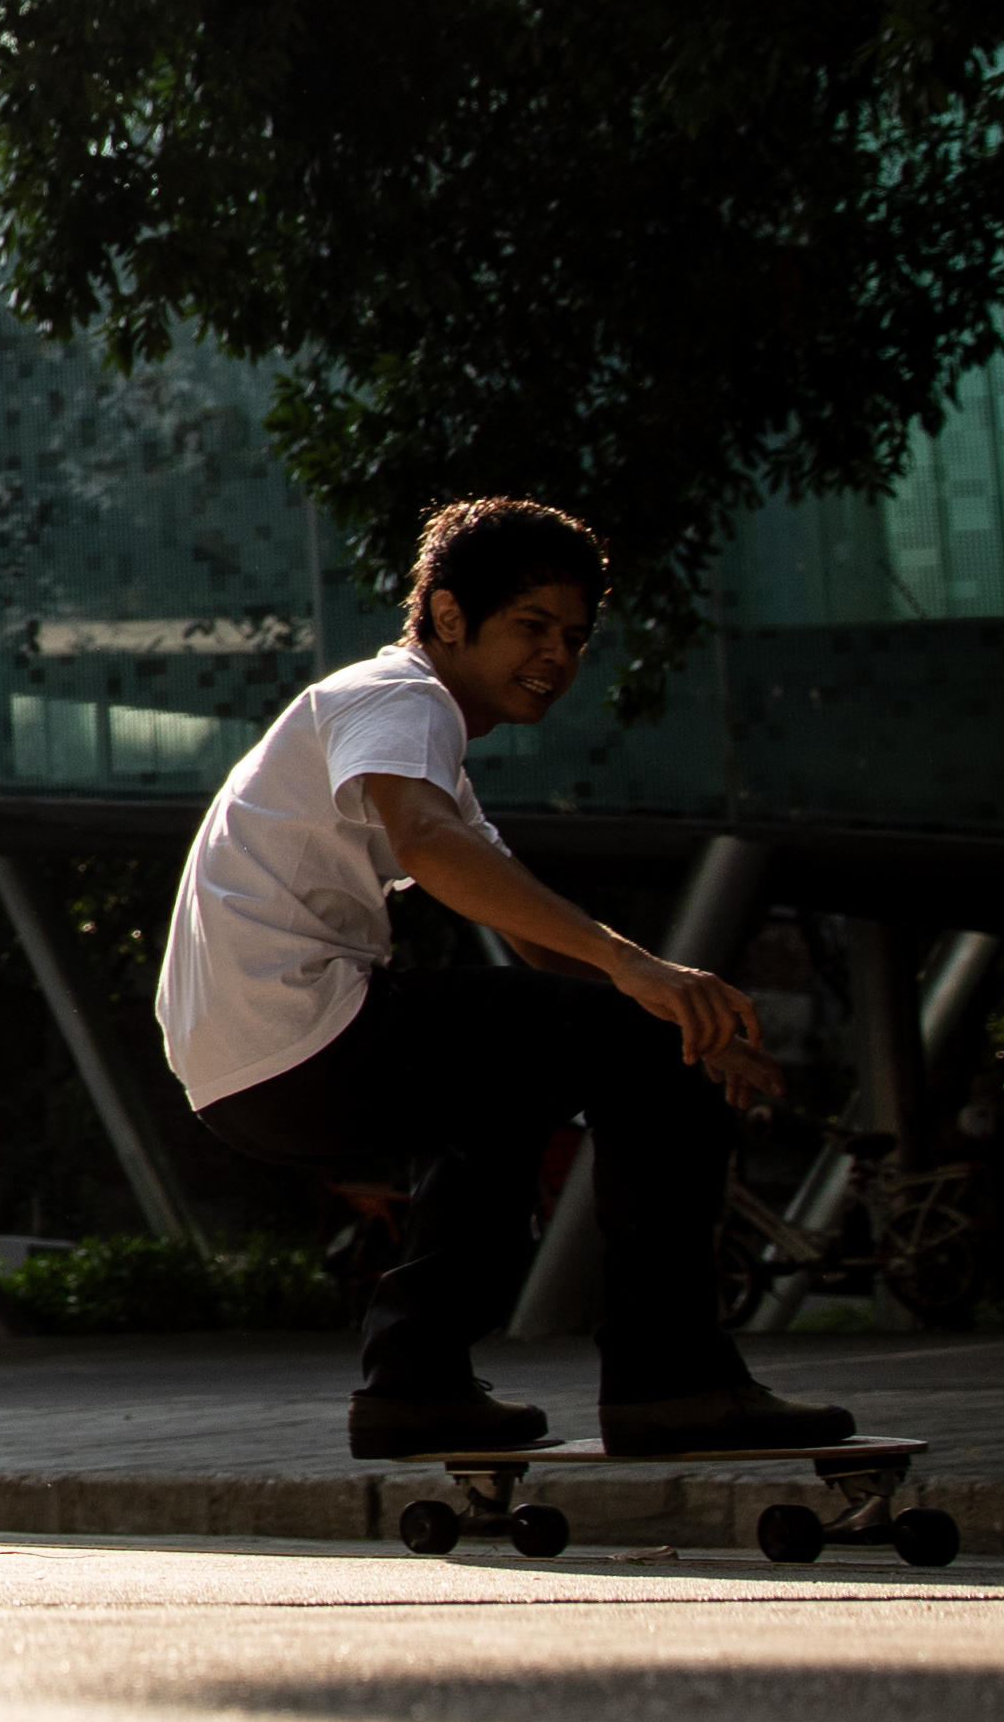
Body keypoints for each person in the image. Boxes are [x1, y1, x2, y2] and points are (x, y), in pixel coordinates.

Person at [159, 496, 855, 1459]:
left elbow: (528, 933)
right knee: (629, 1045)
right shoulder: (398, 696)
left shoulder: (408, 729)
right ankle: (673, 1382)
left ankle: (416, 1383)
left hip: (241, 1070)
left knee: (509, 1096)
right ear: (449, 616)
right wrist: (644, 981)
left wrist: (670, 1008)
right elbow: (431, 845)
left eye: (573, 638)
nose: (556, 659)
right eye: (531, 626)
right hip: (305, 1030)